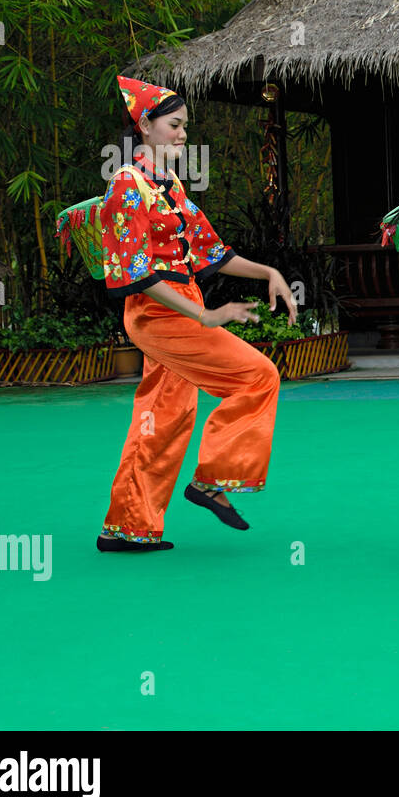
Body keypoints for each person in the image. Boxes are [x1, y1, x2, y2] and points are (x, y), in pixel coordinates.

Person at [96, 75, 298, 552]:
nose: (183, 135)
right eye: (174, 125)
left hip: (182, 305)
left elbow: (212, 253)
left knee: (163, 417)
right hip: (157, 311)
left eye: (186, 126)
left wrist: (267, 270)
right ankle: (212, 479)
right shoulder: (128, 186)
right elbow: (134, 271)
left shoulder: (170, 186)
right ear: (145, 126)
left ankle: (127, 527)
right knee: (258, 376)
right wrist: (204, 317)